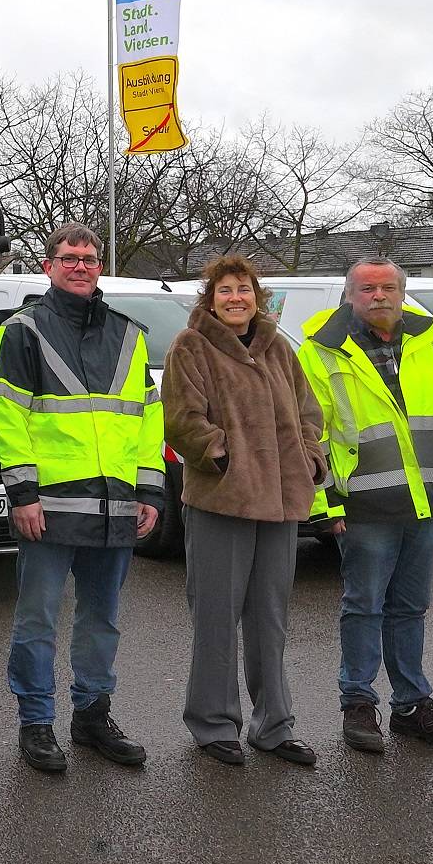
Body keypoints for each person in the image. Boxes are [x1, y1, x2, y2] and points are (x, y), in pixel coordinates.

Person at [0, 223, 164, 774]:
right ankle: (36, 724)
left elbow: (147, 419)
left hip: (115, 507)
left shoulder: (130, 336)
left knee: (101, 620)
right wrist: (23, 493)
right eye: (69, 258)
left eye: (88, 257)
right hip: (49, 506)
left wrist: (150, 489)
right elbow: (5, 417)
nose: (80, 265)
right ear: (49, 266)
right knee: (37, 619)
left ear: (98, 265)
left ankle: (91, 716)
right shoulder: (23, 331)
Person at [298, 259, 433, 755]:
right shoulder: (322, 350)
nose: (378, 296)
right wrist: (325, 502)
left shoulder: (432, 341)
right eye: (366, 288)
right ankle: (358, 705)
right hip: (362, 506)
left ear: (401, 292)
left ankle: (412, 706)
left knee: (410, 609)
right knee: (362, 607)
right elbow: (310, 431)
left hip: (424, 502)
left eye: (387, 287)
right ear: (348, 296)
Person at [161, 255, 327, 766]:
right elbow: (182, 421)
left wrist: (310, 457)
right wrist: (225, 458)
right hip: (223, 502)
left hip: (281, 506)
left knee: (270, 620)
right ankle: (213, 724)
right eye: (225, 291)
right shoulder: (191, 346)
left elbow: (308, 412)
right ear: (210, 299)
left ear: (259, 297)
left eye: (245, 290)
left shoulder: (279, 348)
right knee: (216, 617)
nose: (237, 299)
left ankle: (274, 726)